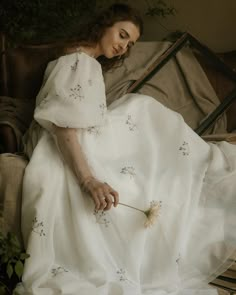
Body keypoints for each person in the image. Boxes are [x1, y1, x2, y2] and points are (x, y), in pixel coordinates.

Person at [14, 3, 236, 295]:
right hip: (71, 143)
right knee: (143, 109)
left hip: (83, 135)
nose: (123, 46)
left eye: (129, 43)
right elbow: (65, 127)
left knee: (145, 115)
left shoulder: (84, 61)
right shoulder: (77, 61)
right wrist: (89, 180)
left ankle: (208, 163)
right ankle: (212, 163)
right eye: (121, 35)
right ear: (103, 25)